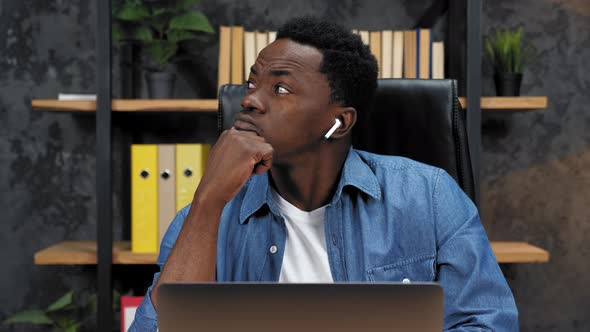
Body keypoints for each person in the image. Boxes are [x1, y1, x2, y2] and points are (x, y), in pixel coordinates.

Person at [130, 16, 518, 331]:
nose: (249, 99)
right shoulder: (207, 216)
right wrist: (208, 201)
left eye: (280, 88)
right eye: (252, 83)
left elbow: (488, 323)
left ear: (339, 123)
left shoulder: (430, 197)